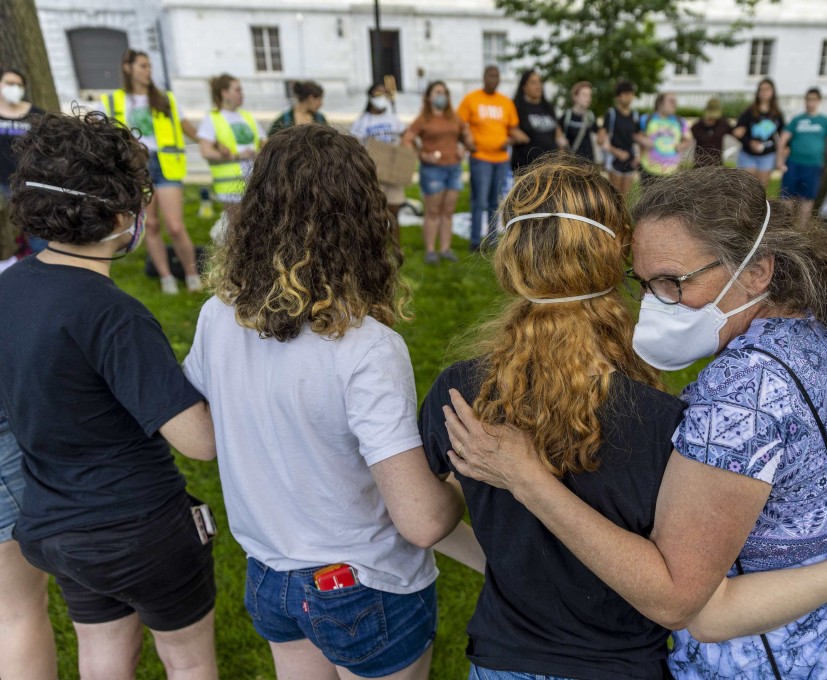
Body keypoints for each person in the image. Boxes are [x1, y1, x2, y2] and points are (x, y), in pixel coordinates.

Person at [426, 158, 827, 679]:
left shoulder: (739, 394)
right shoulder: (824, 334)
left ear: (757, 269)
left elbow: (690, 605)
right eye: (644, 283)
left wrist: (528, 480)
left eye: (674, 282)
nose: (654, 305)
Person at [184, 124, 478, 680]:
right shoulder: (367, 347)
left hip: (271, 575)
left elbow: (206, 430)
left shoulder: (217, 316)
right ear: (363, 221)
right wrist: (465, 484)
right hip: (365, 584)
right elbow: (419, 520)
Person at [0, 110, 218, 680]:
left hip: (56, 525)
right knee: (189, 663)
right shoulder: (114, 315)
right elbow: (198, 442)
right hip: (140, 526)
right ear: (122, 216)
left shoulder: (10, 287)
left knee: (102, 655)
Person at [103, 49, 201, 294]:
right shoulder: (114, 101)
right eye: (143, 66)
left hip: (165, 164)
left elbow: (184, 125)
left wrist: (206, 140)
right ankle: (166, 276)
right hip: (136, 166)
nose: (148, 71)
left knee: (176, 225)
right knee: (152, 225)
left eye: (149, 66)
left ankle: (191, 274)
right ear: (128, 68)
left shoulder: (164, 98)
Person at [402, 81, 474, 264]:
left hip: (454, 169)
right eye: (437, 92)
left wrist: (463, 150)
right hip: (432, 171)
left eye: (444, 92)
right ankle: (430, 251)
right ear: (428, 97)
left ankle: (445, 249)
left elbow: (467, 139)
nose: (441, 95)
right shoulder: (423, 119)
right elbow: (408, 139)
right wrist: (422, 155)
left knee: (448, 211)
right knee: (433, 211)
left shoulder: (454, 118)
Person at [458, 65, 524, 251]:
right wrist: (467, 141)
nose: (494, 79)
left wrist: (510, 140)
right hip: (480, 158)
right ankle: (474, 242)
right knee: (479, 200)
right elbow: (459, 123)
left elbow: (513, 129)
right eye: (490, 75)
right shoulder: (472, 99)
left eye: (497, 76)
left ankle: (492, 240)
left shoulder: (506, 102)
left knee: (496, 201)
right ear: (484, 77)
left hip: (501, 159)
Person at [351, 83, 407, 244]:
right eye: (378, 94)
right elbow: (355, 146)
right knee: (375, 211)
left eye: (384, 94)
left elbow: (405, 137)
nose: (382, 97)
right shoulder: (363, 122)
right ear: (370, 98)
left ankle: (396, 245)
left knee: (394, 210)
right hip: (373, 173)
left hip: (393, 171)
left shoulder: (393, 118)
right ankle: (376, 244)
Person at [197, 74, 265, 205]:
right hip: (230, 187)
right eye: (237, 90)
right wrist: (236, 156)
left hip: (255, 183)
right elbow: (206, 151)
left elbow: (263, 142)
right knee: (238, 224)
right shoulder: (212, 118)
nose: (242, 94)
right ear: (224, 93)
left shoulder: (247, 116)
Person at [776, 87, 827, 225]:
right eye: (808, 99)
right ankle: (785, 226)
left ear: (819, 101)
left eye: (814, 100)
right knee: (787, 196)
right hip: (793, 163)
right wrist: (780, 160)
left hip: (813, 166)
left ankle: (801, 229)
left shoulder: (825, 121)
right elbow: (783, 139)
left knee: (807, 198)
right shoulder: (797, 120)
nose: (810, 103)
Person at [0, 68, 45, 254]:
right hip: (3, 181)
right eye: (10, 83)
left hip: (31, 181)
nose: (15, 88)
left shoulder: (36, 113)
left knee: (34, 223)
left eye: (19, 85)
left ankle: (39, 257)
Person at [510, 69, 565, 171]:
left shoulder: (548, 107)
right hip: (526, 166)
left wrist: (561, 156)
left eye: (540, 82)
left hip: (550, 166)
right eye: (533, 82)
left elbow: (558, 133)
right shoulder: (517, 106)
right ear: (524, 87)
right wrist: (518, 135)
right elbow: (510, 129)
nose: (538, 86)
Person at [733, 78, 784, 188]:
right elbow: (737, 131)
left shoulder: (777, 114)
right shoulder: (749, 111)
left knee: (761, 189)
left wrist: (782, 154)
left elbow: (783, 135)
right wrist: (750, 142)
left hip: (768, 155)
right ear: (758, 92)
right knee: (747, 187)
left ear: (773, 92)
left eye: (767, 89)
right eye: (761, 89)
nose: (764, 92)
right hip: (748, 155)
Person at [598, 80, 641, 196]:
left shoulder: (635, 115)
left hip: (630, 160)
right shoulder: (611, 114)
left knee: (624, 197)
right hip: (615, 160)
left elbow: (637, 138)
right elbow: (600, 140)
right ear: (618, 96)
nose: (629, 97)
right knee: (615, 195)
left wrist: (638, 156)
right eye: (625, 94)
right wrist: (617, 152)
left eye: (631, 94)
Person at [638, 93, 692, 180]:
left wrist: (682, 145)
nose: (674, 104)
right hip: (649, 170)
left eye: (675, 101)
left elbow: (688, 140)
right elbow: (636, 136)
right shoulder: (646, 119)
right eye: (671, 101)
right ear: (660, 103)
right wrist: (643, 141)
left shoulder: (680, 121)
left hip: (672, 171)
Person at [560, 81, 599, 162]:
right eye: (584, 95)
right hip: (571, 164)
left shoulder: (590, 116)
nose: (588, 98)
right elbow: (557, 137)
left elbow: (598, 137)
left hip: (589, 164)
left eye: (589, 95)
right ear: (575, 97)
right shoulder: (567, 116)